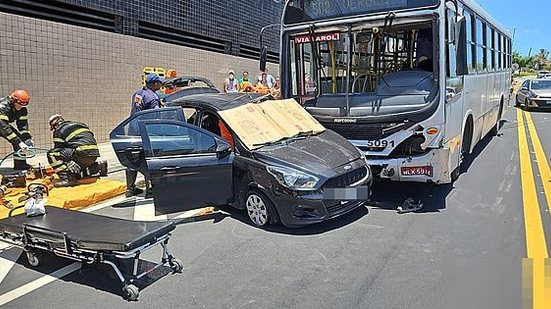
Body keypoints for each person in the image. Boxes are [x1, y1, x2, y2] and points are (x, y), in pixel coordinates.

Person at [126, 73, 164, 197]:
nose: (161, 84)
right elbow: (155, 117)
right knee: (147, 159)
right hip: (145, 131)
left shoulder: (138, 93)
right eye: (159, 82)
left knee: (133, 158)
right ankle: (150, 190)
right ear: (154, 84)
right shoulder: (153, 98)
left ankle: (130, 189)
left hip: (132, 128)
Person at [47, 114, 103, 187]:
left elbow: (58, 150)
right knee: (75, 172)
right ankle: (95, 167)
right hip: (93, 155)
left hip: (80, 154)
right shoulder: (80, 124)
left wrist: (68, 161)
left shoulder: (58, 130)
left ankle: (68, 179)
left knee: (52, 154)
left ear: (54, 125)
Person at [0, 90, 33, 170]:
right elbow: (2, 126)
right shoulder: (3, 106)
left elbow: (23, 125)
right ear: (13, 100)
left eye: (23, 105)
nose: (20, 107)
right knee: (17, 141)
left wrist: (27, 138)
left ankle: (21, 165)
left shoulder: (22, 110)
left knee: (19, 140)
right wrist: (18, 142)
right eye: (19, 104)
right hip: (1, 124)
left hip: (3, 125)